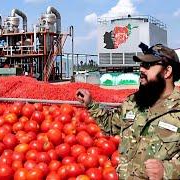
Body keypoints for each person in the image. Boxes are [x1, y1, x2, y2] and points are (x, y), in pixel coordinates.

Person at [76, 43, 180, 180]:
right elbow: (111, 125)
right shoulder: (133, 102)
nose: (141, 69)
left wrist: (167, 171)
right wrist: (91, 104)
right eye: (141, 64)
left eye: (148, 65)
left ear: (167, 71)